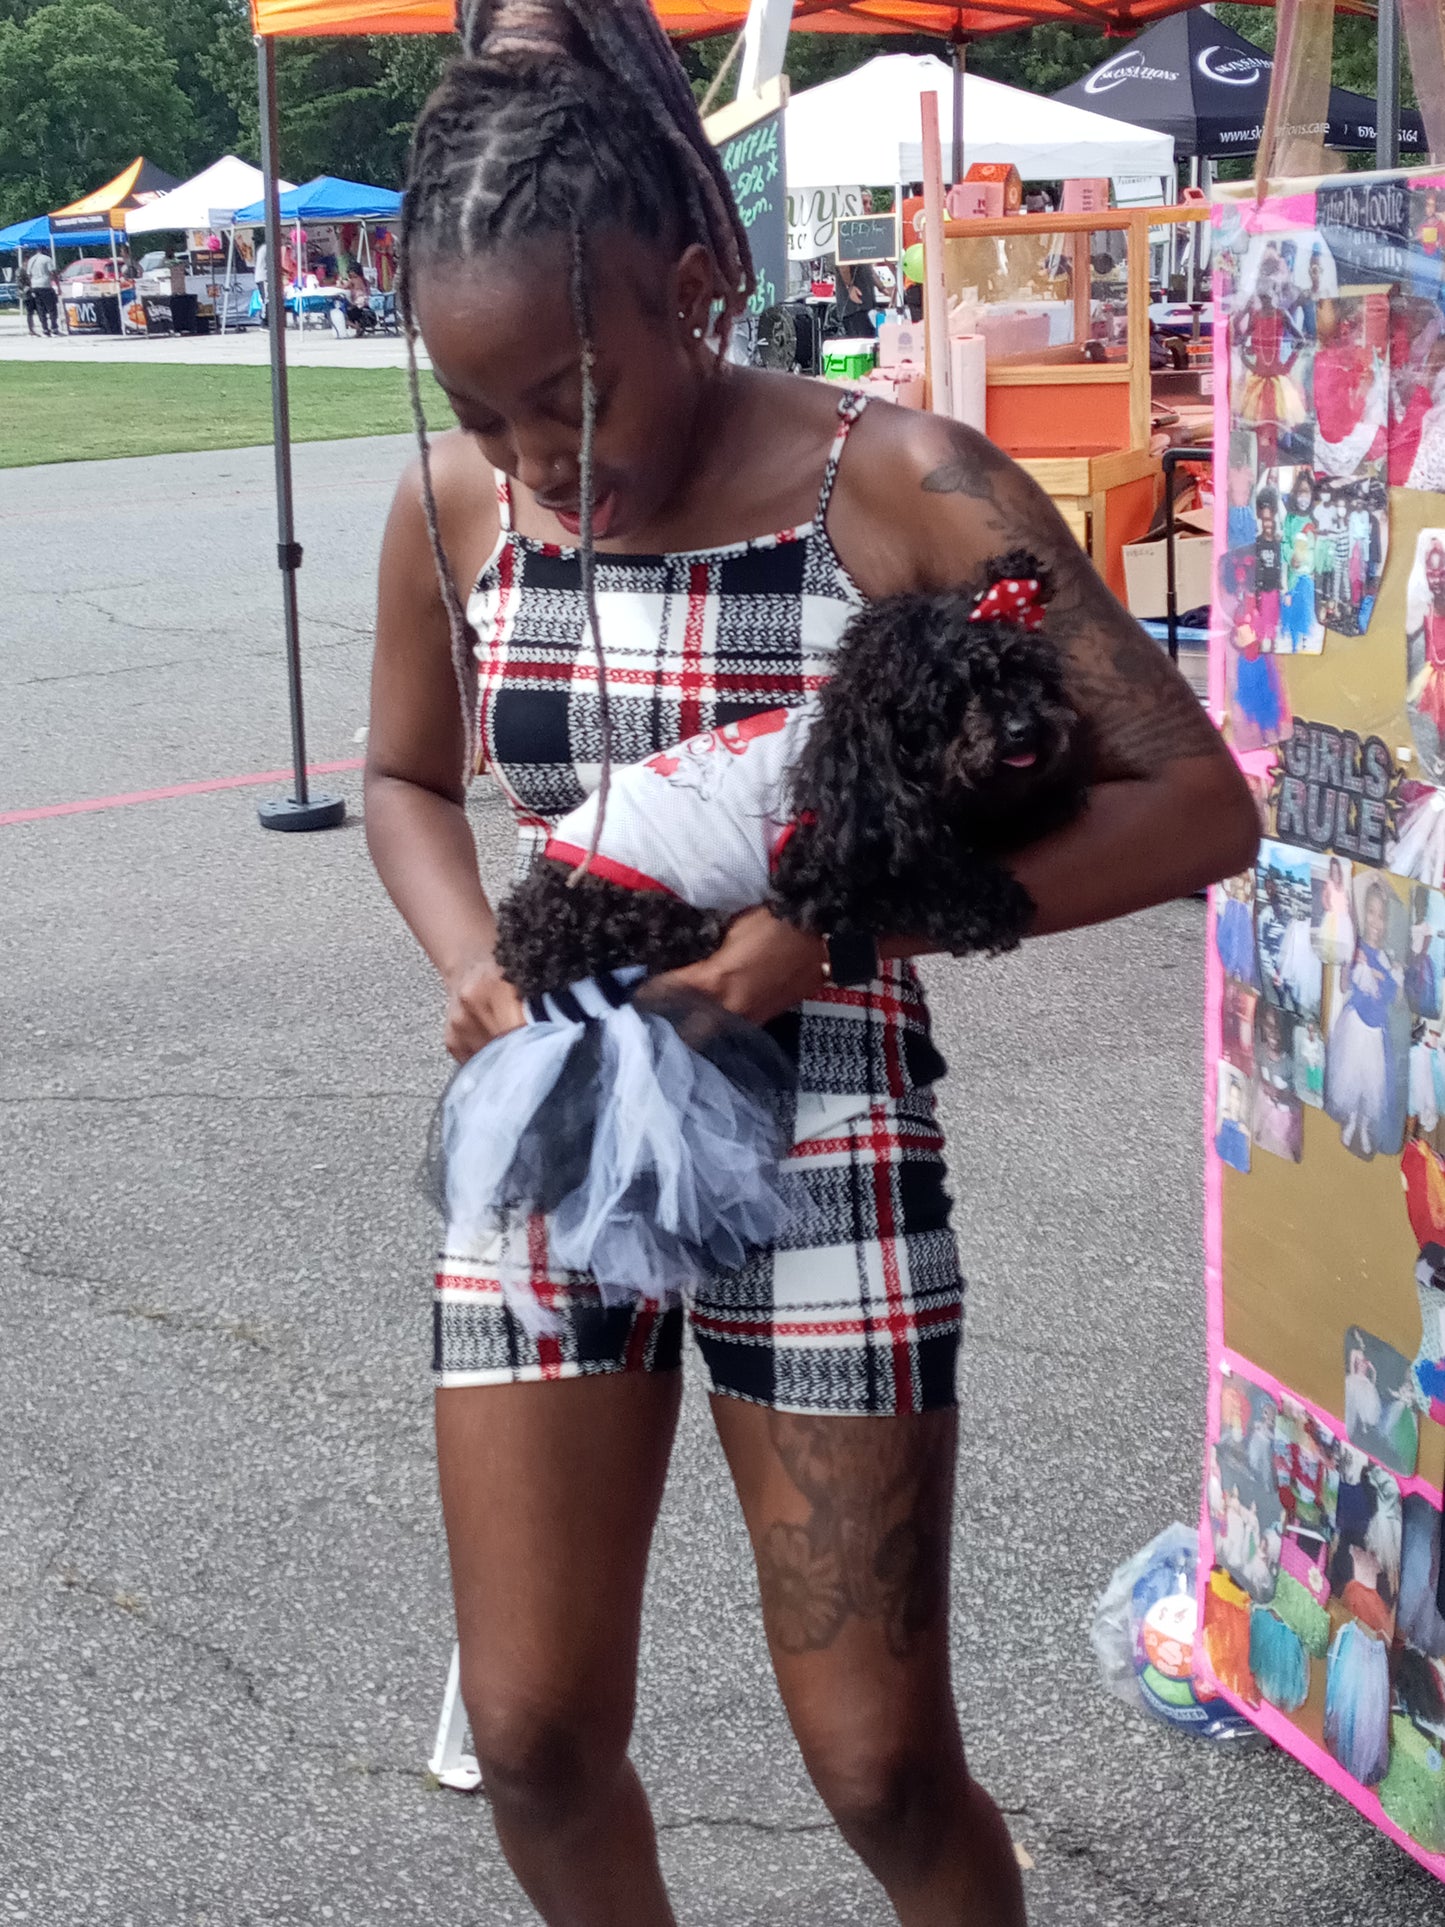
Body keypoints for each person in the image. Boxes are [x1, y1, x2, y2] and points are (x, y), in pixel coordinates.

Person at [364, 5, 1257, 1922]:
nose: (536, 459)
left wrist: (831, 932)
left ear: (694, 285)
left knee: (876, 1762)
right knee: (528, 1731)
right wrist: (471, 959)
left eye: (571, 399)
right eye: (482, 411)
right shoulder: (453, 511)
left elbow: (1200, 806)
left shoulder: (903, 480)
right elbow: (400, 777)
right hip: (551, 1127)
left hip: (825, 1133)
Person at [25, 247, 58, 337]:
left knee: (41, 309)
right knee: (52, 308)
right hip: (45, 285)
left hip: (35, 286)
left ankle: (45, 329)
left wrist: (31, 284)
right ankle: (54, 328)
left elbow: (29, 275)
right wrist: (58, 286)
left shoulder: (31, 260)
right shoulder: (47, 259)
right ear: (44, 251)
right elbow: (53, 272)